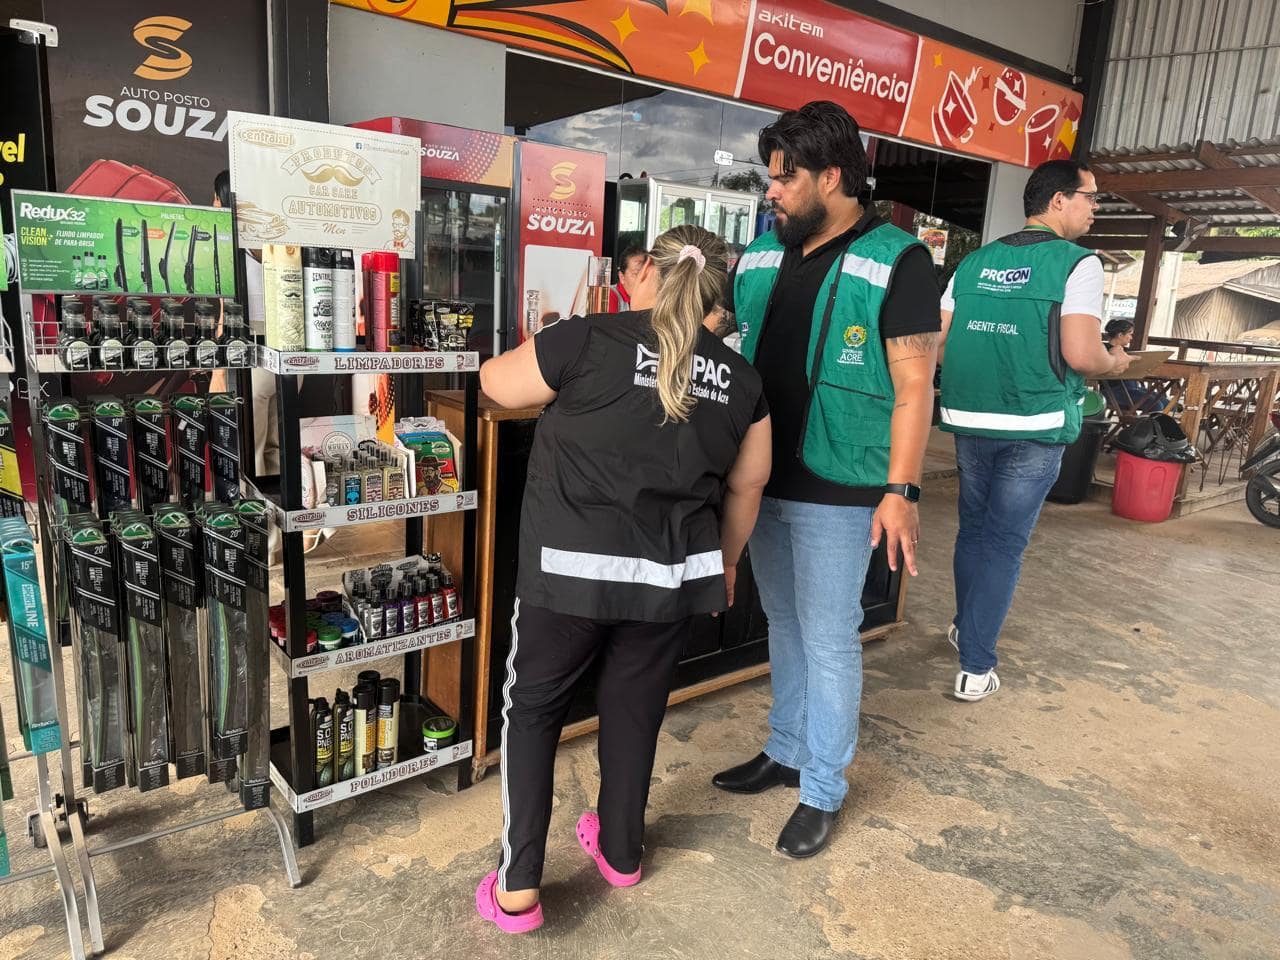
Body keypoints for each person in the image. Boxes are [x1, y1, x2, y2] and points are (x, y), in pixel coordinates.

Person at [474, 225, 771, 934]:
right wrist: (728, 563)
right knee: (636, 712)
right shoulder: (743, 381)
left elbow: (494, 384)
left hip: (566, 578)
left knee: (534, 712)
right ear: (717, 294)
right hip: (668, 584)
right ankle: (620, 854)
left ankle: (518, 888)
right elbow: (749, 482)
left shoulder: (586, 339)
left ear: (647, 275)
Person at [713, 101, 940, 858]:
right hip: (761, 475)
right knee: (782, 623)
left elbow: (915, 387)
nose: (771, 191)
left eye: (786, 177)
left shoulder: (898, 260)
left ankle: (822, 788)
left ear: (833, 176)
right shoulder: (761, 254)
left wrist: (901, 491)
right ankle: (786, 748)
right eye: (770, 177)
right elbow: (714, 336)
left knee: (830, 638)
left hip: (840, 483)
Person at [938, 159, 1133, 701]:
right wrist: (1115, 362)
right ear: (1058, 200)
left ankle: (965, 626)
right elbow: (1082, 354)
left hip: (971, 420)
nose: (1096, 208)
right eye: (1091, 197)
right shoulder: (1077, 264)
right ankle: (976, 667)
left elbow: (939, 341)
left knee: (973, 531)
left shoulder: (974, 262)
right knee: (1003, 543)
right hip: (1034, 423)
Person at [1102, 318, 1163, 412]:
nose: (1131, 338)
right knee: (1156, 404)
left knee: (1164, 401)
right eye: (1130, 334)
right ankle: (1145, 422)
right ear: (1120, 335)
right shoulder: (1104, 350)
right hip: (1112, 391)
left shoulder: (1127, 351)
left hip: (1132, 389)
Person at [607, 243, 647, 312]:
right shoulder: (610, 295)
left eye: (646, 274)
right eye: (636, 274)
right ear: (622, 277)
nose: (642, 279)